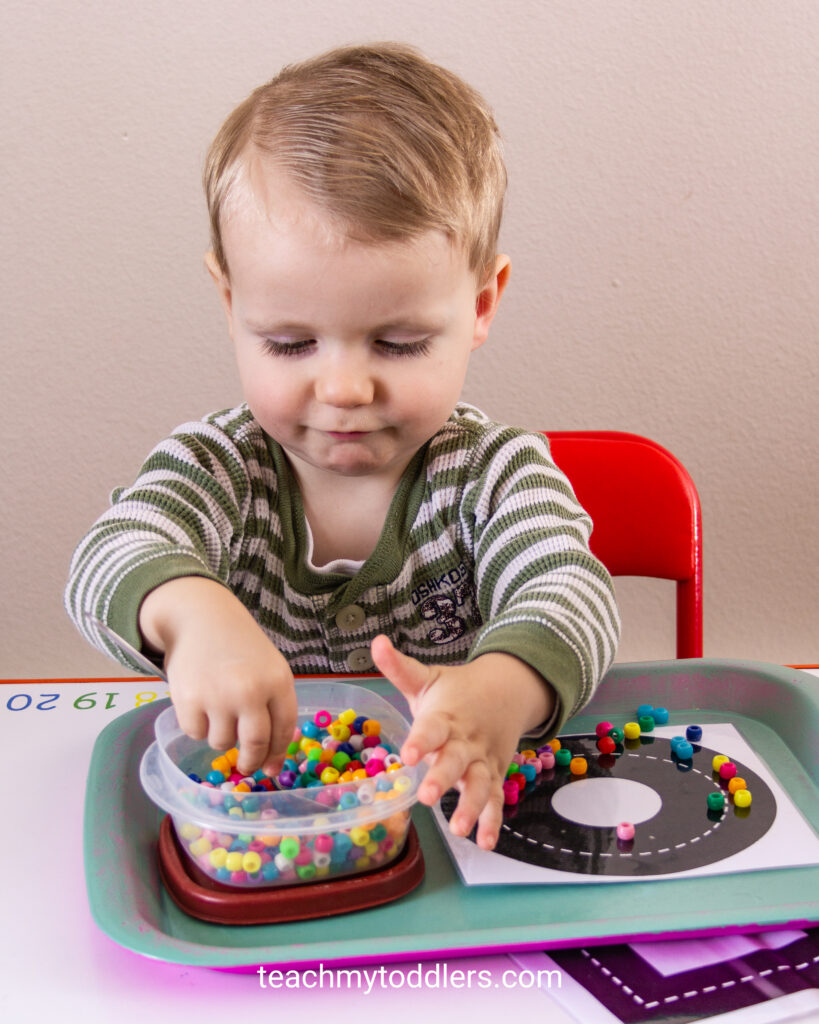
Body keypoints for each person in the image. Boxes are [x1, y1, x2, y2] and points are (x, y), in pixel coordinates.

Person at [65, 42, 620, 850]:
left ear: (480, 304)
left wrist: (499, 695)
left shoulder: (497, 476)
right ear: (230, 303)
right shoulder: (217, 468)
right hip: (261, 828)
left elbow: (571, 595)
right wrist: (190, 614)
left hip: (450, 817)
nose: (344, 390)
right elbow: (108, 555)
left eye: (397, 343)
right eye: (290, 344)